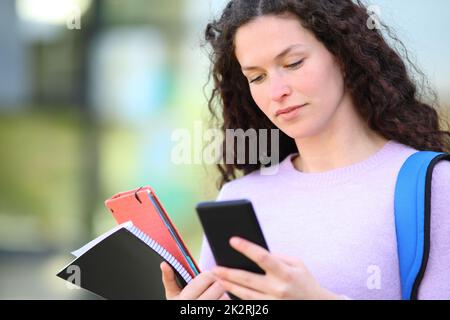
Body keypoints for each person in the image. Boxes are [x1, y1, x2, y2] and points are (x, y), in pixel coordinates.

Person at [161, 0, 450, 299]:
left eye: (293, 63)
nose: (277, 92)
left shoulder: (432, 184)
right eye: (257, 77)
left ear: (343, 54)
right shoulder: (239, 198)